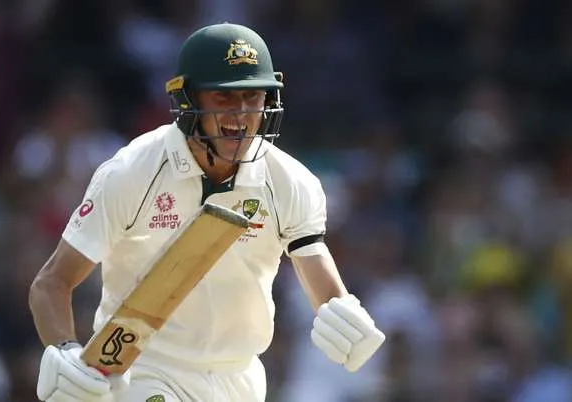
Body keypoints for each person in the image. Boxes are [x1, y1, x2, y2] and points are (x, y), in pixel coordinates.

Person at [29, 22, 385, 402]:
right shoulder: (131, 172)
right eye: (223, 96)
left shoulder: (290, 182)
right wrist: (64, 350)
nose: (241, 112)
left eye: (252, 96)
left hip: (240, 378)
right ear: (187, 100)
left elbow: (322, 282)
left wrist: (344, 314)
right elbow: (51, 283)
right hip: (145, 369)